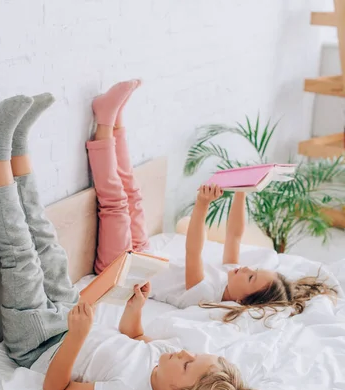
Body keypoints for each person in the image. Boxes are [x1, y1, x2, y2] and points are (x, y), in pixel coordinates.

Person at [0, 88, 260, 390]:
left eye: (188, 364)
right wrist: (135, 310)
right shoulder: (162, 357)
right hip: (72, 315)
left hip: (39, 342)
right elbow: (135, 337)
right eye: (194, 355)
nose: (186, 353)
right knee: (47, 241)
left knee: (22, 253)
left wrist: (79, 336)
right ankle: (20, 146)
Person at [83, 80, 337, 326]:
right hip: (142, 253)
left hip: (119, 272)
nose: (247, 268)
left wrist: (202, 204)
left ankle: (104, 124)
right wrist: (241, 191)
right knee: (133, 194)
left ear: (241, 300)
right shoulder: (231, 274)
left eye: (251, 276)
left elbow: (193, 251)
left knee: (116, 202)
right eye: (254, 270)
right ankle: (116, 121)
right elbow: (234, 237)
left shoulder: (204, 296)